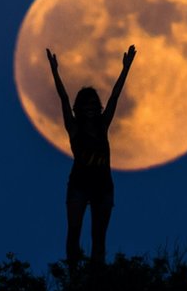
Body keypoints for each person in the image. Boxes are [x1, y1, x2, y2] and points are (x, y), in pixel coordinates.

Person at [46, 45, 136, 266]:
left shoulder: (103, 125)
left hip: (103, 188)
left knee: (99, 238)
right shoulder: (74, 129)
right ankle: (73, 274)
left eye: (94, 105)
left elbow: (115, 96)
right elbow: (63, 98)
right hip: (79, 186)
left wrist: (126, 68)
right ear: (79, 108)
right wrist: (55, 71)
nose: (90, 109)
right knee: (74, 233)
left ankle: (97, 278)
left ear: (98, 107)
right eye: (86, 105)